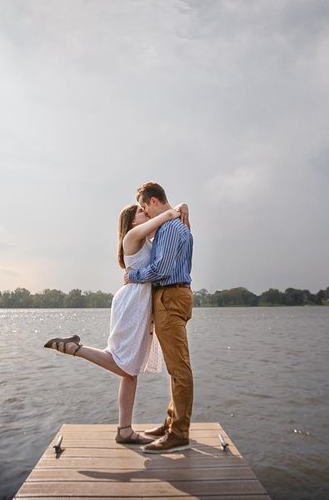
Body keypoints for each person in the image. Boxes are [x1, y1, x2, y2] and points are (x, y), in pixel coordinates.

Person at [43, 201, 188, 445]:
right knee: (124, 365)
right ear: (132, 220)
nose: (146, 212)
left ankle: (124, 430)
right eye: (141, 211)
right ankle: (75, 349)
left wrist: (183, 206)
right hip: (132, 302)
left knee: (130, 373)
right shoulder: (131, 236)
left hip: (140, 304)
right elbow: (164, 217)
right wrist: (174, 211)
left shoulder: (145, 239)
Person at [124, 181, 194, 454]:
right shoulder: (178, 225)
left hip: (169, 296)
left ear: (154, 202)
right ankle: (171, 423)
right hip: (175, 295)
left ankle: (179, 434)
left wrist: (134, 275)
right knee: (176, 366)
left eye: (144, 207)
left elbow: (161, 269)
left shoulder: (169, 228)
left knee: (179, 368)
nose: (144, 212)